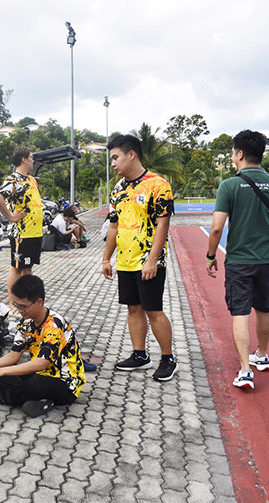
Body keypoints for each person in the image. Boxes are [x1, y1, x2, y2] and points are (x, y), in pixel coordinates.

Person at [206, 129, 269, 390]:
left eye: (233, 153)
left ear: (240, 154)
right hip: (267, 259)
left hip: (240, 260)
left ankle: (245, 371)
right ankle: (262, 356)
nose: (233, 157)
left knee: (240, 312)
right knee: (264, 308)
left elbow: (216, 228)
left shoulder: (230, 185)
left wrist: (211, 256)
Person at [102, 134, 178, 382]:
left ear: (131, 154)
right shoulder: (118, 189)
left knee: (153, 310)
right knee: (133, 308)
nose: (113, 163)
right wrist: (106, 259)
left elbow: (163, 225)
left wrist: (152, 259)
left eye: (116, 157)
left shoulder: (158, 185)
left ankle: (168, 359)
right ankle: (140, 355)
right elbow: (113, 226)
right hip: (125, 261)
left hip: (149, 260)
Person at [0, 275, 87, 418]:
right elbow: (14, 355)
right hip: (38, 373)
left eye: (23, 307)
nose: (19, 310)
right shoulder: (26, 323)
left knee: (34, 382)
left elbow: (41, 364)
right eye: (16, 305)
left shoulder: (54, 325)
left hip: (64, 382)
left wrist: (2, 371)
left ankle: (5, 397)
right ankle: (31, 398)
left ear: (39, 302)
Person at [0, 147, 43, 302]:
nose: (33, 160)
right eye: (31, 157)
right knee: (16, 267)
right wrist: (11, 217)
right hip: (21, 233)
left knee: (27, 267)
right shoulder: (13, 179)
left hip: (35, 231)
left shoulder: (31, 179)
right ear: (24, 159)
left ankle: (27, 301)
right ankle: (13, 303)